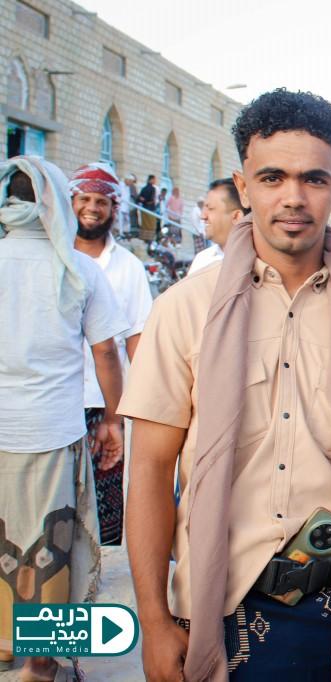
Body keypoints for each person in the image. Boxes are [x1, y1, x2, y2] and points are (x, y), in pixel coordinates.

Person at [120, 88, 331, 682]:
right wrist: (153, 620)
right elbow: (149, 469)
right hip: (214, 606)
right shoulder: (185, 310)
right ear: (244, 185)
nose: (293, 197)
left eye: (314, 179)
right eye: (272, 177)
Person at [0, 157, 128, 680]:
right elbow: (106, 354)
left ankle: (5, 644)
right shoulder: (77, 269)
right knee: (50, 545)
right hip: (53, 431)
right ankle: (41, 663)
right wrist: (115, 421)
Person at [70, 161, 153, 546]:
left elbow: (137, 340)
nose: (92, 208)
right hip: (55, 402)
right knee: (56, 504)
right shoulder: (54, 256)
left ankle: (96, 578)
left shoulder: (128, 268)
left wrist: (127, 414)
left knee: (103, 508)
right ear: (71, 202)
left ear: (113, 208)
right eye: (84, 199)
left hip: (107, 405)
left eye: (101, 201)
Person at [187, 178, 244, 277]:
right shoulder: (202, 260)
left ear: (236, 216)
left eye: (210, 208)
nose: (203, 216)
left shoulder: (262, 261)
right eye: (203, 208)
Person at [138, 174, 158, 241]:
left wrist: (144, 200)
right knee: (151, 225)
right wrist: (147, 201)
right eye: (154, 179)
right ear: (151, 180)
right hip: (150, 209)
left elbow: (139, 198)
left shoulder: (144, 188)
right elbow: (151, 199)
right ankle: (148, 240)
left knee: (146, 225)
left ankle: (145, 239)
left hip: (144, 208)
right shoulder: (152, 189)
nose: (155, 181)